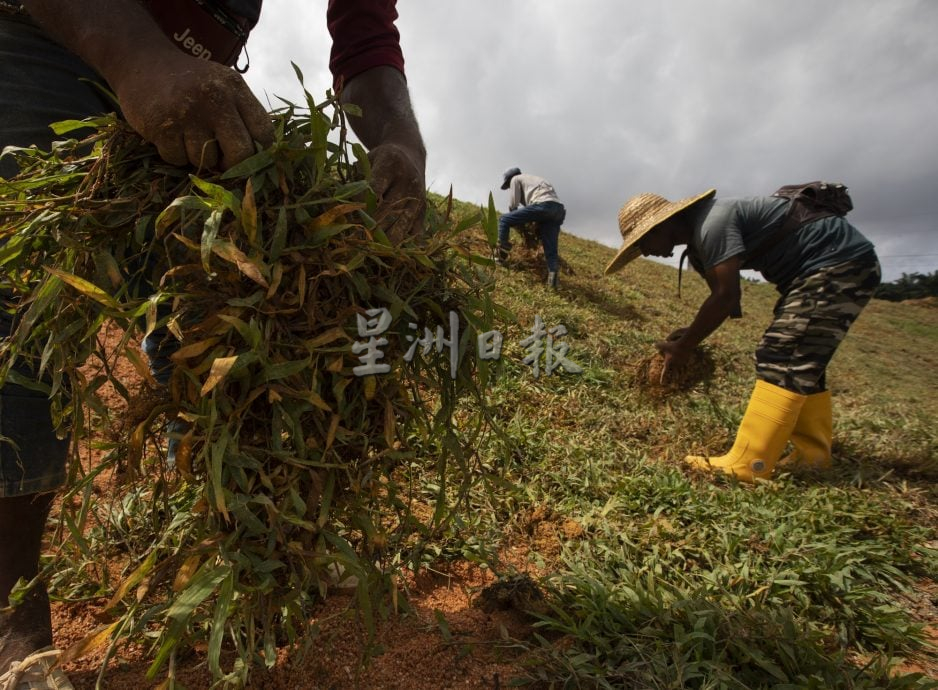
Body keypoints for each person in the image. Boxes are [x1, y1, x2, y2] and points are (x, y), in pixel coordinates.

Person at [0, 1, 425, 687]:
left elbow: (367, 35)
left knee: (214, 313)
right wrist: (138, 56)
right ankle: (13, 615)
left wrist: (400, 142)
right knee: (20, 314)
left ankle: (245, 551)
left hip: (193, 83)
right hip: (53, 33)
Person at [605, 188, 881, 482]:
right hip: (828, 267)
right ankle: (812, 456)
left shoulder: (712, 224)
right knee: (802, 358)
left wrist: (684, 347)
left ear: (662, 226)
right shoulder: (702, 237)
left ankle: (752, 464)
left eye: (643, 242)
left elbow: (725, 296)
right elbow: (725, 302)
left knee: (782, 354)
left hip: (836, 264)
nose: (645, 252)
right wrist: (691, 334)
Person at [495, 167, 567, 288]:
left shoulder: (515, 179)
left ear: (509, 180)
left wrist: (519, 224)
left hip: (543, 205)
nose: (509, 188)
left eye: (508, 186)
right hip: (558, 210)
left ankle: (501, 256)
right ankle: (553, 279)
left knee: (504, 220)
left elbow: (513, 205)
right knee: (550, 247)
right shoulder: (535, 179)